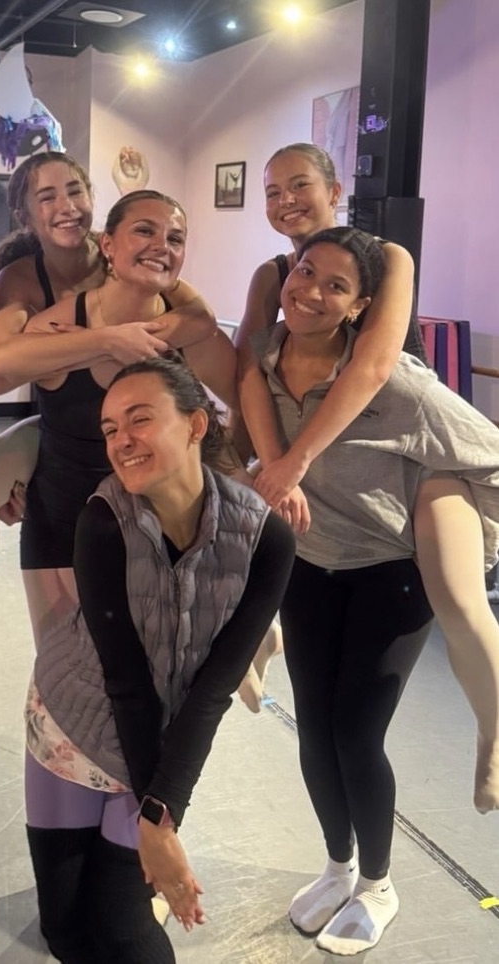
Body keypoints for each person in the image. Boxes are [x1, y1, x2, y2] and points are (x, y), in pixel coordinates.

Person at [236, 142, 499, 812]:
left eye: (297, 185)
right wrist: (273, 463)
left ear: (332, 188)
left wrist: (292, 462)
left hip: (414, 443)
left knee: (460, 598)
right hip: (335, 447)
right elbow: (250, 368)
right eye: (270, 191)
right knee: (262, 530)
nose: (284, 201)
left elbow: (373, 366)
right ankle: (264, 630)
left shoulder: (387, 258)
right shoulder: (274, 274)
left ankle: (494, 731)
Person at [261, 226, 499, 955]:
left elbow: (489, 453)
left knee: (356, 735)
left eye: (336, 285)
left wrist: (454, 529)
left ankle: (378, 884)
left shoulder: (398, 385)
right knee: (314, 733)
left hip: (389, 577)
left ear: (362, 306)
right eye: (306, 272)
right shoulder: (262, 370)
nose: (313, 291)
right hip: (310, 568)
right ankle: (337, 866)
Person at [23, 354, 294, 962]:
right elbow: (124, 680)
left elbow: (214, 688)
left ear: (196, 425)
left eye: (139, 420)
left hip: (151, 743)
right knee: (63, 927)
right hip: (70, 725)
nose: (122, 441)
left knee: (122, 926)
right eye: (111, 429)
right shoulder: (104, 522)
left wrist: (159, 815)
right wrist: (160, 824)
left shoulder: (265, 539)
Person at [0, 161, 225, 670]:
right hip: (61, 426)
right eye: (47, 197)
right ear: (25, 213)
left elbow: (201, 318)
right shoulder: (23, 278)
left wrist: (150, 333)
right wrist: (104, 341)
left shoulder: (126, 252)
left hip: (127, 444)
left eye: (75, 191)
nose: (66, 206)